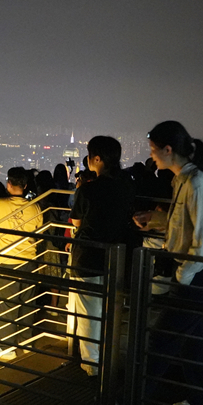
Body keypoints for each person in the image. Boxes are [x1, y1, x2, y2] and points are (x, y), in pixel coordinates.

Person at [131, 121, 203, 405]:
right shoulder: (183, 181)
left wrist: (184, 274)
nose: (152, 156)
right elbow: (184, 226)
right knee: (192, 344)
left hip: (199, 278)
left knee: (161, 340)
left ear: (168, 150)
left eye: (153, 150)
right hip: (197, 276)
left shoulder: (197, 183)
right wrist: (157, 221)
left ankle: (126, 401)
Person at [68, 136, 134, 375]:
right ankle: (108, 357)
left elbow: (76, 221)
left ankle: (92, 365)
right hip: (116, 256)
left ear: (96, 159)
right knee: (109, 310)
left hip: (88, 257)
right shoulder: (126, 186)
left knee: (88, 314)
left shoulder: (89, 189)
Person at [0, 167, 44, 359]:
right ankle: (26, 342)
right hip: (29, 259)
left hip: (7, 260)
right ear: (25, 186)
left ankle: (6, 347)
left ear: (9, 183)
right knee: (27, 302)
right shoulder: (34, 206)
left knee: (7, 304)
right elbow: (38, 230)